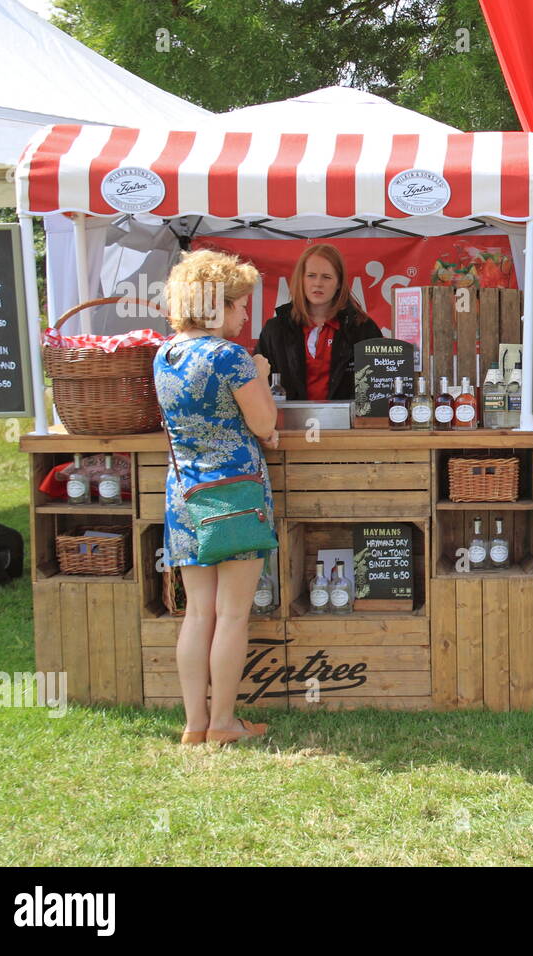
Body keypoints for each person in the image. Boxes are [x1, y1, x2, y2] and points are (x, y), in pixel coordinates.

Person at [155, 249, 278, 746]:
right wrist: (261, 376)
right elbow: (265, 424)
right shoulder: (230, 357)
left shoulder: (165, 355)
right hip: (235, 495)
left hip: (185, 494)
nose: (245, 314)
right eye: (240, 304)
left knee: (198, 613)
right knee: (232, 614)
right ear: (218, 305)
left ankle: (194, 724)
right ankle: (224, 723)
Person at [255, 243, 383, 400]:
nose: (318, 283)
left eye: (327, 277)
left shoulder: (362, 328)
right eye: (311, 275)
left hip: (348, 423)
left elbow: (379, 386)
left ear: (339, 284)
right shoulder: (275, 329)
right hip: (287, 423)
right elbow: (257, 384)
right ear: (301, 280)